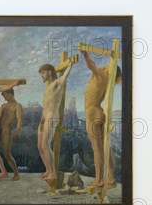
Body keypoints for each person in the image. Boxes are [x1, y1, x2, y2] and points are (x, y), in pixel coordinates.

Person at [81, 50, 122, 188]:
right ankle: (111, 178)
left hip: (92, 112)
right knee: (105, 147)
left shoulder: (101, 75)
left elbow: (92, 65)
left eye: (108, 66)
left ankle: (98, 179)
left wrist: (86, 56)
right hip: (99, 112)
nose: (104, 66)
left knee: (97, 149)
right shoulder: (107, 80)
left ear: (110, 69)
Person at [37, 58, 76, 185]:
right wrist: (42, 118)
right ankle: (48, 170)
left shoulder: (57, 83)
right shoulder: (46, 87)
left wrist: (70, 64)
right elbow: (46, 104)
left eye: (43, 72)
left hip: (52, 116)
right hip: (44, 117)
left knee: (45, 144)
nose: (41, 75)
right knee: (40, 146)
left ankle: (53, 173)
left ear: (49, 72)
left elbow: (66, 75)